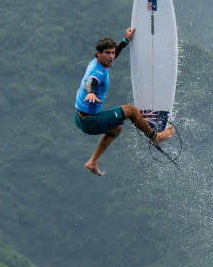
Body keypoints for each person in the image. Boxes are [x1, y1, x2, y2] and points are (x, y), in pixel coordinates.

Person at [74, 27, 175, 175]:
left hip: (80, 118)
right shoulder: (98, 71)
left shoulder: (98, 63)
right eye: (107, 53)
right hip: (90, 121)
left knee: (116, 129)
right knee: (132, 110)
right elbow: (91, 81)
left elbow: (112, 56)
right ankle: (156, 136)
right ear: (98, 54)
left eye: (113, 52)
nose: (111, 56)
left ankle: (92, 162)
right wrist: (91, 92)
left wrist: (125, 41)